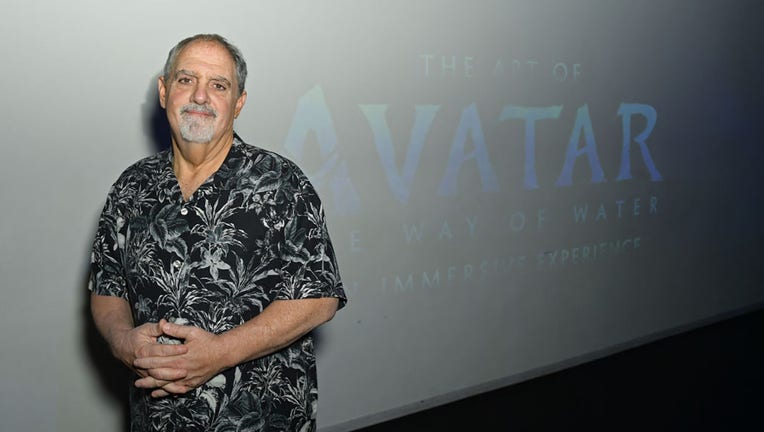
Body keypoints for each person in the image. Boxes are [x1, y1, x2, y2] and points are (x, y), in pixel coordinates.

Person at [89, 33, 346, 432]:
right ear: (164, 91)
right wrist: (123, 342)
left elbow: (319, 299)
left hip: (261, 420)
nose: (200, 97)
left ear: (239, 103)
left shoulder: (280, 183)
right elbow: (107, 291)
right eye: (186, 80)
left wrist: (219, 353)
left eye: (218, 85)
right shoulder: (130, 187)